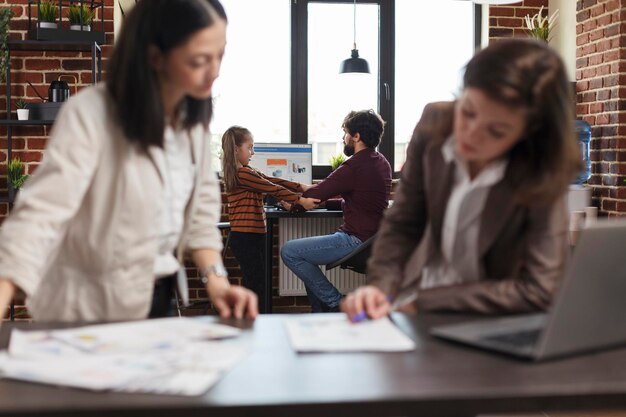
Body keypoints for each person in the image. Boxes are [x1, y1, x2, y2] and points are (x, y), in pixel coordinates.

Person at [0, 0, 258, 322]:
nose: (215, 71)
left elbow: (201, 215)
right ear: (155, 57)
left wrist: (217, 283)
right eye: (199, 60)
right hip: (85, 313)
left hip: (159, 301)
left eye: (220, 55)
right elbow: (41, 214)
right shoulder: (91, 114)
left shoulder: (191, 124)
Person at [342, 39, 583, 321]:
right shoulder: (434, 124)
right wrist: (380, 288)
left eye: (496, 130)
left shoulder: (542, 167)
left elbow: (541, 291)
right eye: (467, 112)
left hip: (496, 320)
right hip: (414, 307)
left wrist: (428, 301)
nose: (470, 134)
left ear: (530, 133)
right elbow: (403, 223)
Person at [281, 110, 392, 313]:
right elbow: (360, 199)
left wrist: (293, 204)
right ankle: (320, 315)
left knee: (290, 251)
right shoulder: (381, 162)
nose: (344, 138)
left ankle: (335, 303)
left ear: (356, 136)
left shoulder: (353, 166)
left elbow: (315, 194)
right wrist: (321, 199)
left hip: (354, 240)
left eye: (345, 133)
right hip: (373, 240)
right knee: (308, 265)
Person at [221, 126, 319, 312]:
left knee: (258, 284)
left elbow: (273, 181)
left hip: (251, 236)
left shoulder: (247, 171)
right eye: (249, 147)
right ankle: (256, 324)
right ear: (236, 149)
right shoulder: (243, 174)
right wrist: (301, 200)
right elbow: (272, 188)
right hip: (246, 237)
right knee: (257, 287)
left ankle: (258, 323)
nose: (253, 152)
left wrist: (302, 186)